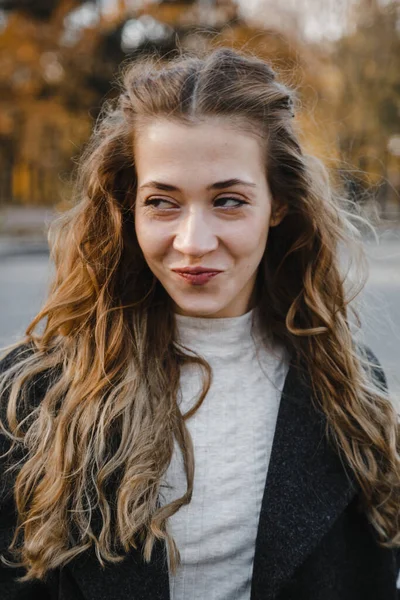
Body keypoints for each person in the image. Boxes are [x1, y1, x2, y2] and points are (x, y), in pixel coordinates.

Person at [0, 46, 399, 600]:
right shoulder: (36, 392)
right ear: (127, 207)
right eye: (162, 202)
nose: (193, 243)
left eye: (229, 201)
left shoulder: (350, 389)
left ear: (279, 204)